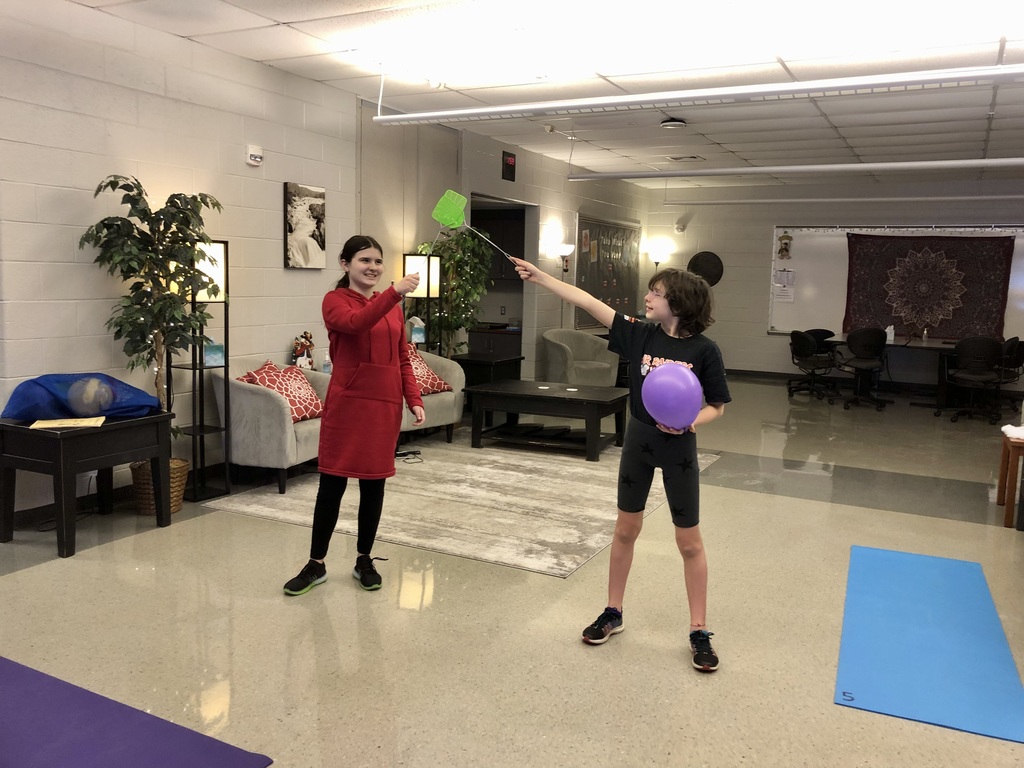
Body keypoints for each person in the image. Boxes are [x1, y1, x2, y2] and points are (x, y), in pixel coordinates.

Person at [512, 258, 730, 672]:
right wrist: (541, 277)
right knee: (626, 528)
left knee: (689, 542)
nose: (647, 297)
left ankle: (699, 628)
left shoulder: (704, 350)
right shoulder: (639, 335)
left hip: (679, 448)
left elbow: (717, 407)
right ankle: (613, 611)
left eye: (657, 293)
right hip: (639, 444)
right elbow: (590, 302)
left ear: (679, 303)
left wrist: (688, 422)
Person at [284, 235, 426, 596]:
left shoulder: (391, 306)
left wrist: (413, 398)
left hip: (385, 406)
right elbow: (356, 323)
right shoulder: (334, 301)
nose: (373, 268)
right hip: (348, 406)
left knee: (373, 486)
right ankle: (316, 563)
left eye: (378, 262)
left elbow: (403, 358)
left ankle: (364, 559)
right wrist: (395, 293)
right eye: (365, 260)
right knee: (331, 486)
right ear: (345, 264)